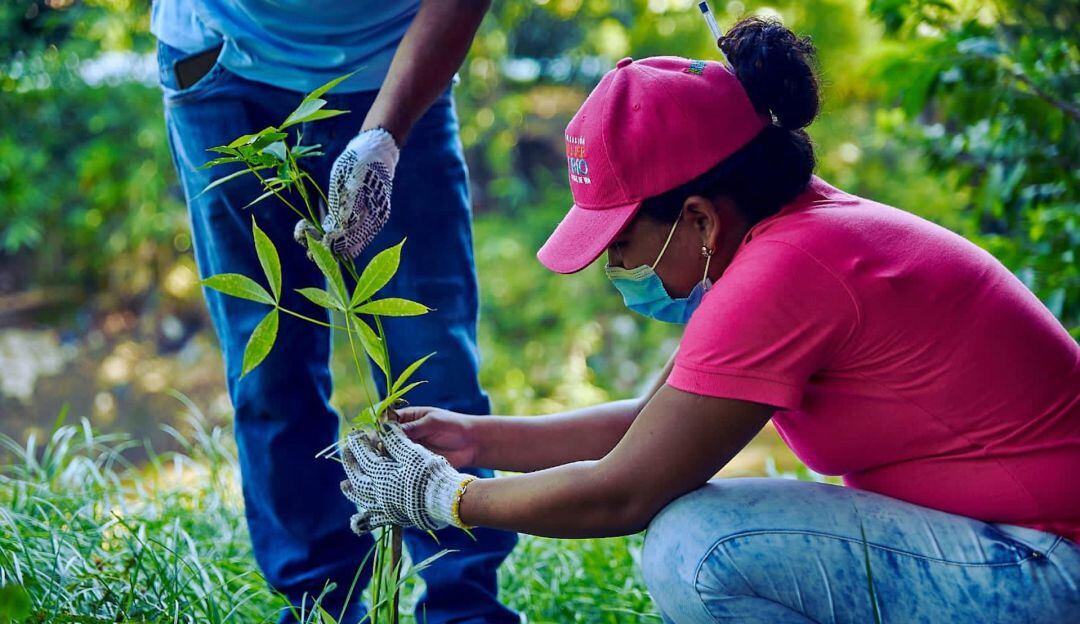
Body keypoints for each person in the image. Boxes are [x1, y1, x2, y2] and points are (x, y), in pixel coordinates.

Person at [338, 17, 1080, 623]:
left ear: (696, 217)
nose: (616, 269)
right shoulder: (791, 238)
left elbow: (625, 490)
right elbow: (655, 421)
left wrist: (447, 498)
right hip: (1012, 543)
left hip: (1049, 564)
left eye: (621, 244)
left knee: (699, 547)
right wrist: (474, 439)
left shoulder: (788, 271)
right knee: (701, 534)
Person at [151, 1, 519, 622]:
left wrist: (385, 133)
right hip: (226, 66)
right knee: (270, 372)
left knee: (433, 365)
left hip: (396, 64)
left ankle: (463, 605)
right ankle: (324, 606)